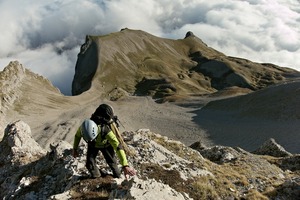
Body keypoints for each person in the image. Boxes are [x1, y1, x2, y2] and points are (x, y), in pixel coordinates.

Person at [72, 104, 136, 179]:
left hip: (106, 145)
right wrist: (74, 149)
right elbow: (77, 136)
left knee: (112, 163)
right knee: (90, 164)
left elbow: (117, 146)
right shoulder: (85, 128)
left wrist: (125, 165)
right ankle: (97, 177)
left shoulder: (106, 131)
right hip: (94, 145)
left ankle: (118, 177)